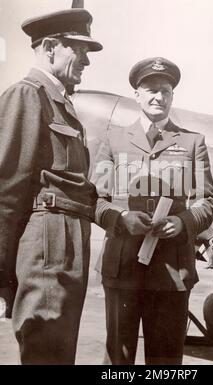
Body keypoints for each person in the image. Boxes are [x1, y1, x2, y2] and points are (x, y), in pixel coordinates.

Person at [91, 57, 213, 365]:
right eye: (150, 89)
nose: (158, 97)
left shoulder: (192, 143)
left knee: (165, 364)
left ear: (172, 96)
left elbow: (208, 201)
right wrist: (120, 219)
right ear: (137, 94)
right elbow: (95, 199)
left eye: (165, 90)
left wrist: (183, 221)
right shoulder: (114, 139)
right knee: (118, 362)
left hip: (171, 272)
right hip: (122, 269)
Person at [0, 9, 102, 364]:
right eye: (79, 49)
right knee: (45, 352)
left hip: (65, 245)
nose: (87, 60)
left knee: (59, 352)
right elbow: (7, 188)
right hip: (47, 245)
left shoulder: (59, 101)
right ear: (49, 47)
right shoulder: (27, 95)